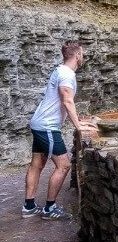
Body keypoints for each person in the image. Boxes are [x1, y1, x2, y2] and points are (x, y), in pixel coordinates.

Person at [22, 40, 94, 220]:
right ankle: (49, 208)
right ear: (77, 55)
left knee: (36, 165)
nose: (82, 56)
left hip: (38, 124)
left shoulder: (60, 70)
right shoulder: (66, 74)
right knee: (64, 165)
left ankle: (29, 206)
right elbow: (67, 100)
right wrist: (79, 125)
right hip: (47, 127)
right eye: (82, 53)